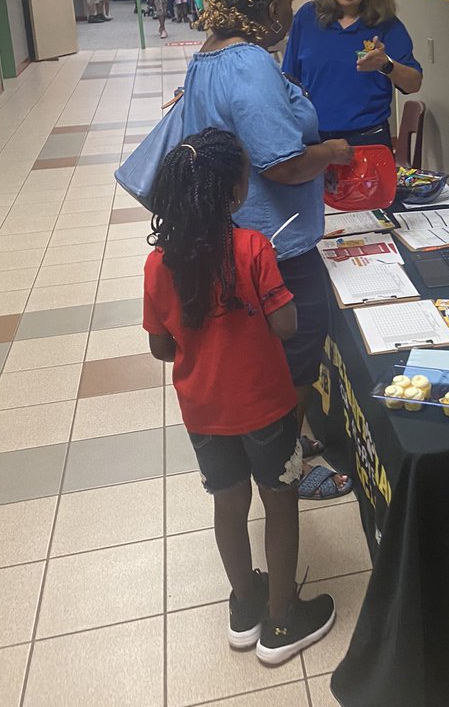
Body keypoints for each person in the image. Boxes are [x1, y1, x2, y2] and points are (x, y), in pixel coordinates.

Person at [143, 127, 336, 662]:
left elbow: (161, 347)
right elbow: (285, 326)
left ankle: (245, 604)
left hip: (203, 411)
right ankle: (282, 620)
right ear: (233, 192)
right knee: (279, 499)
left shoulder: (158, 264)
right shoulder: (252, 248)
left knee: (228, 503)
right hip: (266, 405)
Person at [179, 0, 354, 500]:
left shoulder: (208, 56)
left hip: (236, 235)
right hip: (275, 242)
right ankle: (287, 461)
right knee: (296, 351)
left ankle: (286, 442)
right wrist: (331, 152)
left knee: (270, 352)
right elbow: (283, 163)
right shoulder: (249, 63)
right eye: (286, 1)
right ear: (266, 7)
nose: (290, 11)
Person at [282, 0, 423, 150]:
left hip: (368, 138)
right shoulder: (308, 17)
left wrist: (386, 64)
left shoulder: (386, 25)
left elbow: (414, 84)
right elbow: (289, 80)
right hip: (314, 140)